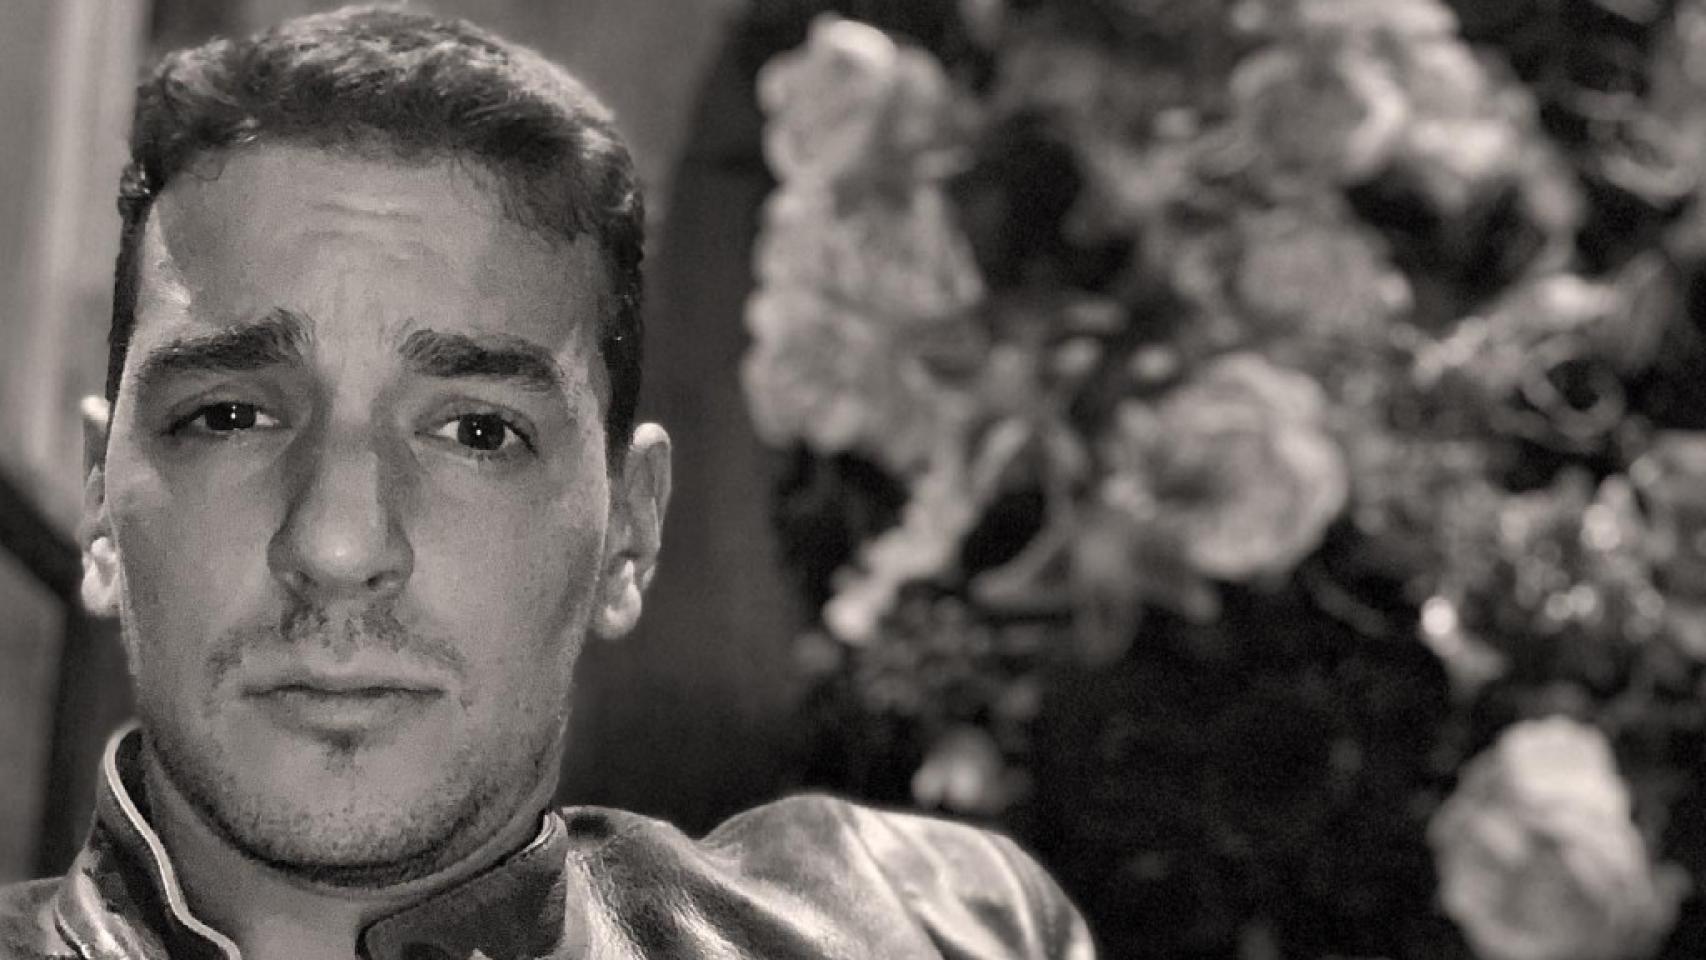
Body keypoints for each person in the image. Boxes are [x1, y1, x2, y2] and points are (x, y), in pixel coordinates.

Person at [0, 6, 1094, 960]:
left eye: (477, 431)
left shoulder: (930, 927)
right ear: (99, 499)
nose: (337, 543)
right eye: (229, 417)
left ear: (630, 530)